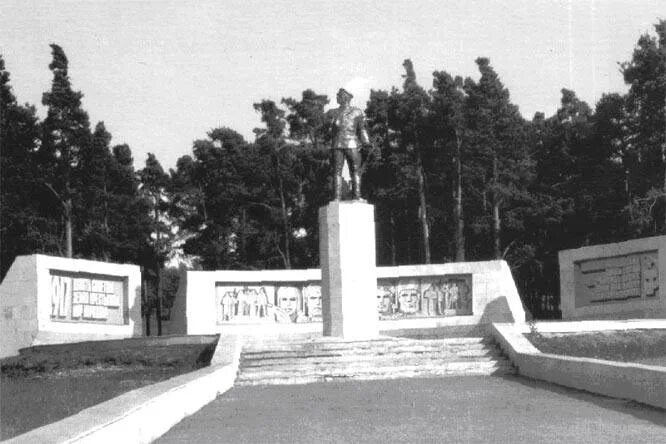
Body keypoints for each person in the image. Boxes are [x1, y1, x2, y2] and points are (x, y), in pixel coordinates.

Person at [328, 88, 371, 200]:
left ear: (344, 98)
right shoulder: (332, 112)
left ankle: (356, 196)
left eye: (339, 96)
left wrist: (366, 142)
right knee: (337, 171)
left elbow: (362, 129)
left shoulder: (357, 111)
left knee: (355, 170)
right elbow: (328, 132)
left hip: (352, 144)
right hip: (338, 144)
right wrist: (332, 125)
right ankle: (336, 197)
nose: (337, 97)